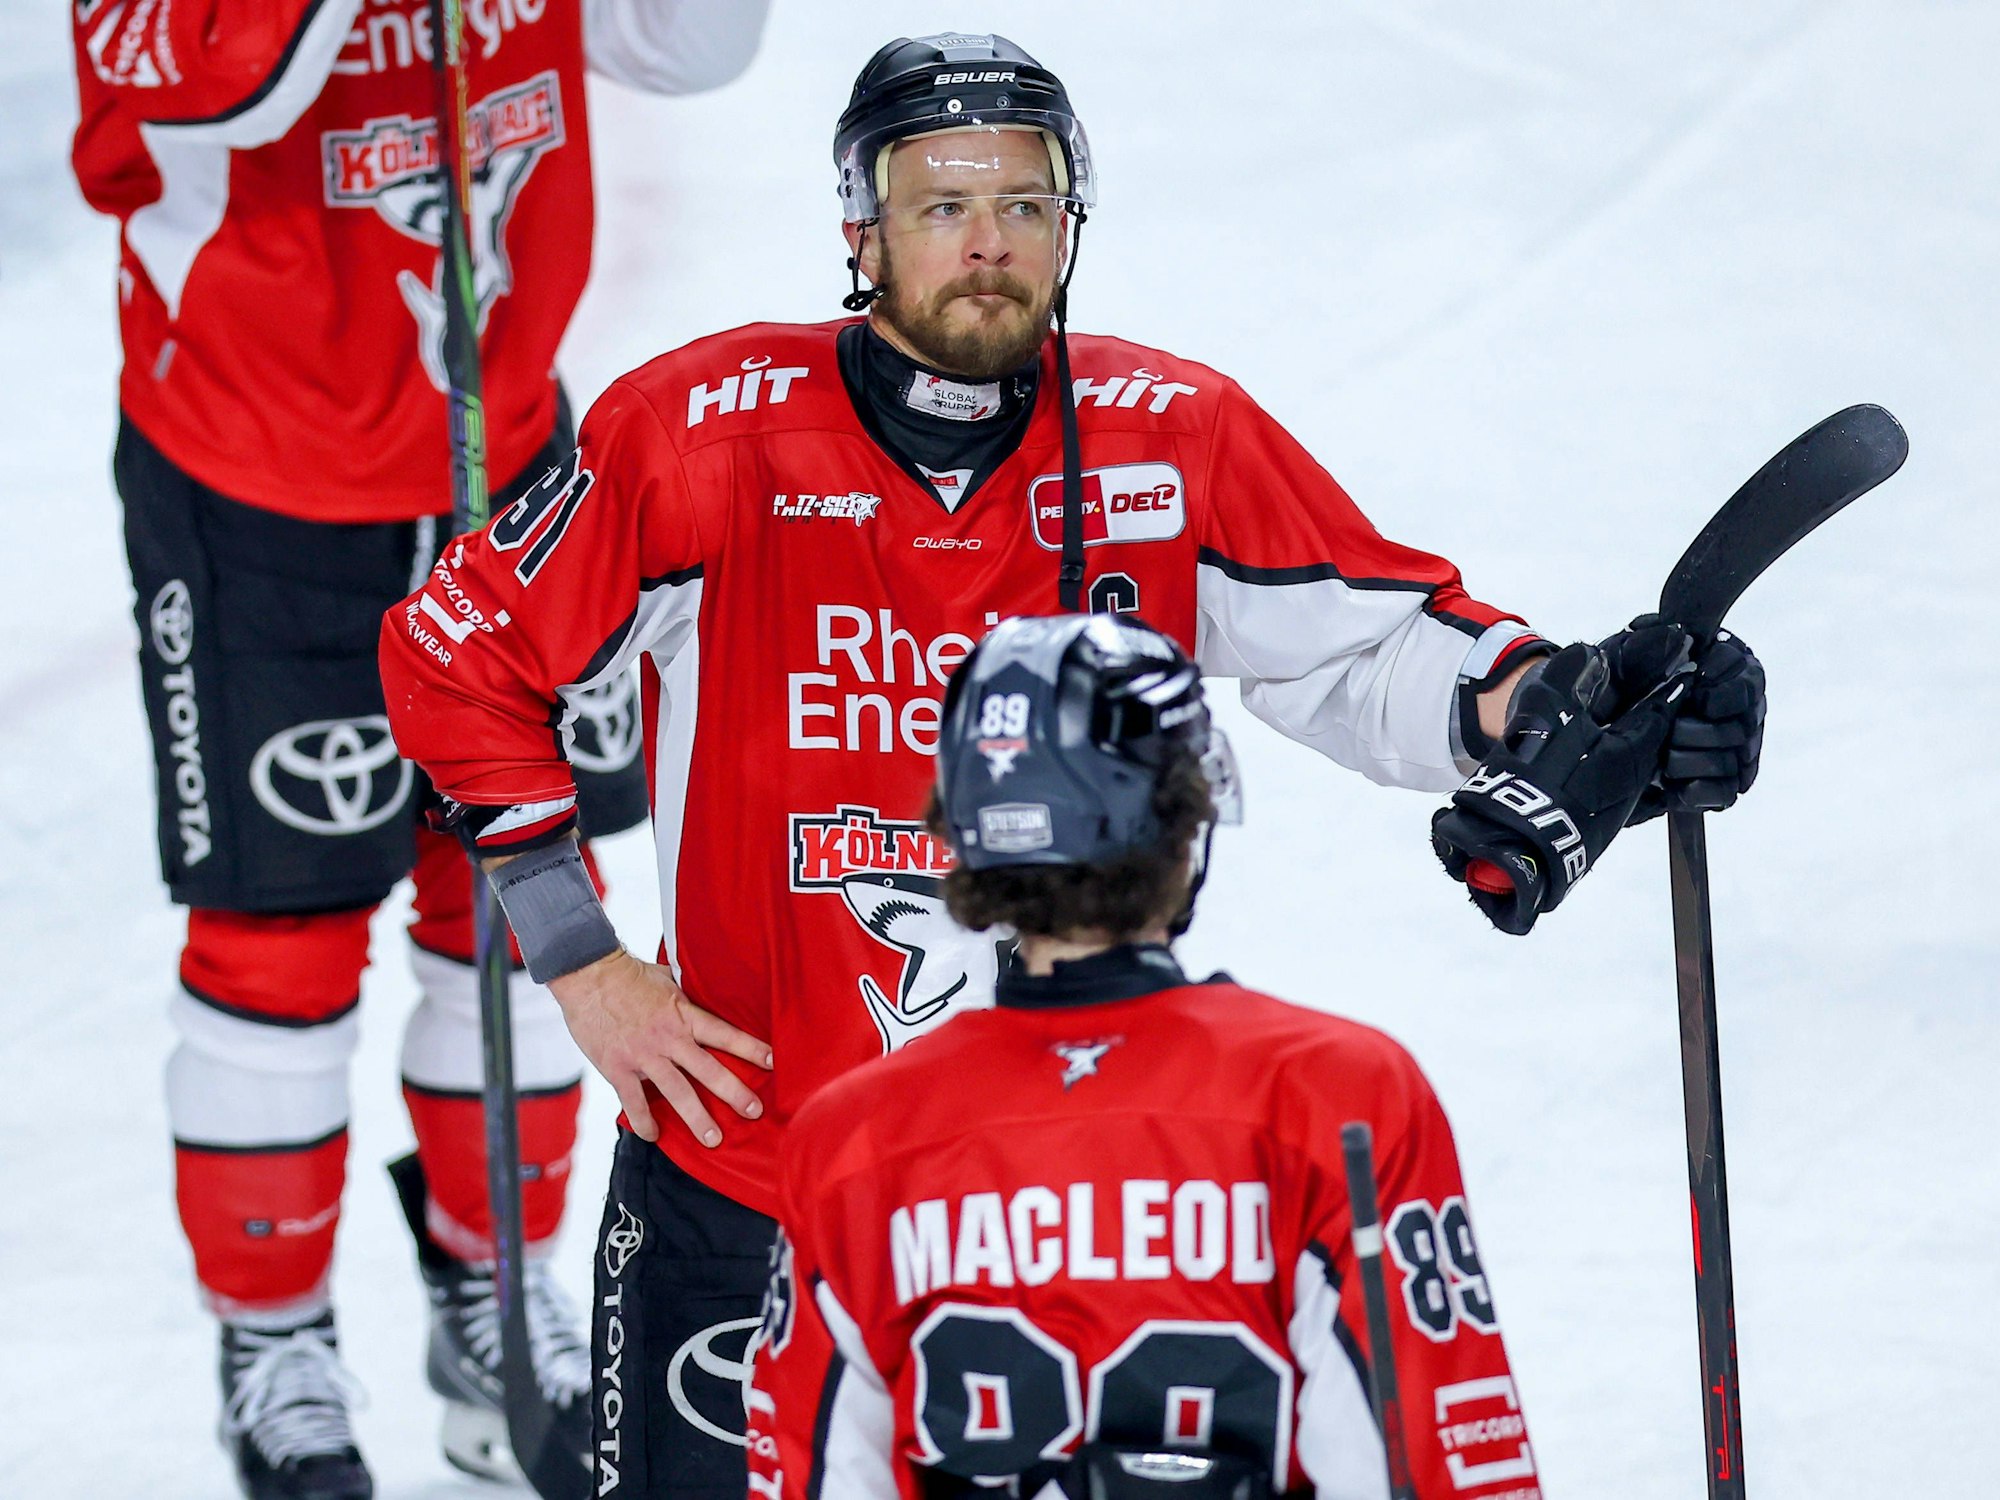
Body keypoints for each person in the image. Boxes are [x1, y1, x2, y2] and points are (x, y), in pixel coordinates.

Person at [376, 31, 1765, 1500]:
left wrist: (1547, 699)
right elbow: (457, 655)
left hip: (1060, 1205)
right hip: (750, 1180)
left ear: (1070, 224)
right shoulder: (705, 435)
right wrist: (584, 959)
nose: (987, 242)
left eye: (1025, 203)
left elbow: (1368, 651)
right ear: (861, 227)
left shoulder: (1177, 435)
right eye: (940, 202)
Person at [70, 2, 769, 1495]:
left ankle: (496, 1297)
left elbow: (695, 48)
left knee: (515, 914)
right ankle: (273, 1340)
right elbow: (217, 91)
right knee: (280, 940)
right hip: (255, 480)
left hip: (505, 456)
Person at [746, 610, 1546, 1500]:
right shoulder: (1338, 1096)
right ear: (1184, 823)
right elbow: (1439, 1465)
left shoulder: (853, 1139)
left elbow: (820, 1478)